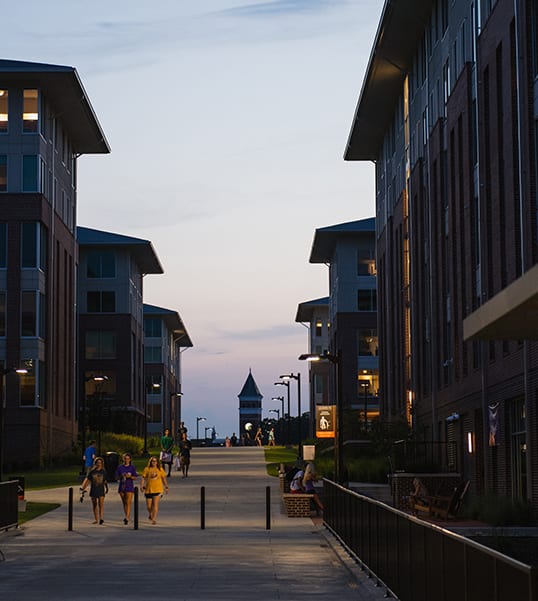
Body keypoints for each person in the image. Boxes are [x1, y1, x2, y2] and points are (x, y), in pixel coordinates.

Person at [80, 456, 108, 524]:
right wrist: (83, 488)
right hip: (94, 489)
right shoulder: (92, 471)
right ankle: (96, 519)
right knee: (94, 504)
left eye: (100, 463)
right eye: (98, 463)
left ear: (102, 464)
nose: (99, 464)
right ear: (95, 463)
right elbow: (88, 480)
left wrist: (107, 488)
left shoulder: (104, 471)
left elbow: (105, 481)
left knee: (101, 504)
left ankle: (101, 518)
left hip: (101, 489)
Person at [141, 456, 168, 524]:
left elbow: (164, 478)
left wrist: (166, 487)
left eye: (155, 461)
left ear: (157, 462)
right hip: (148, 489)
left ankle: (154, 518)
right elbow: (143, 478)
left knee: (155, 505)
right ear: (150, 462)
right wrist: (141, 486)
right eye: (152, 461)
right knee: (149, 506)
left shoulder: (160, 469)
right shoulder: (147, 469)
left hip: (158, 489)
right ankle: (151, 514)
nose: (154, 462)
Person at [114, 453, 138, 525]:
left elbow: (135, 477)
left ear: (130, 459)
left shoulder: (132, 467)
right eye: (125, 458)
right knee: (124, 502)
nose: (126, 460)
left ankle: (127, 518)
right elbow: (116, 477)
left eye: (128, 459)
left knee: (128, 502)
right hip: (122, 486)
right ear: (123, 459)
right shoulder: (120, 467)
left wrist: (129, 477)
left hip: (129, 486)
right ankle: (127, 516)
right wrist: (121, 476)